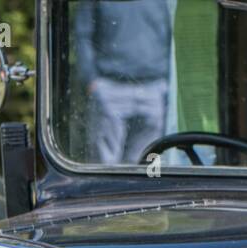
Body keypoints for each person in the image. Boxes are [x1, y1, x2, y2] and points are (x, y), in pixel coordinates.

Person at [74, 0, 174, 165]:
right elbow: (83, 36)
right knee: (104, 164)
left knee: (147, 164)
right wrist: (91, 80)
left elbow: (169, 34)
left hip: (154, 88)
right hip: (110, 87)